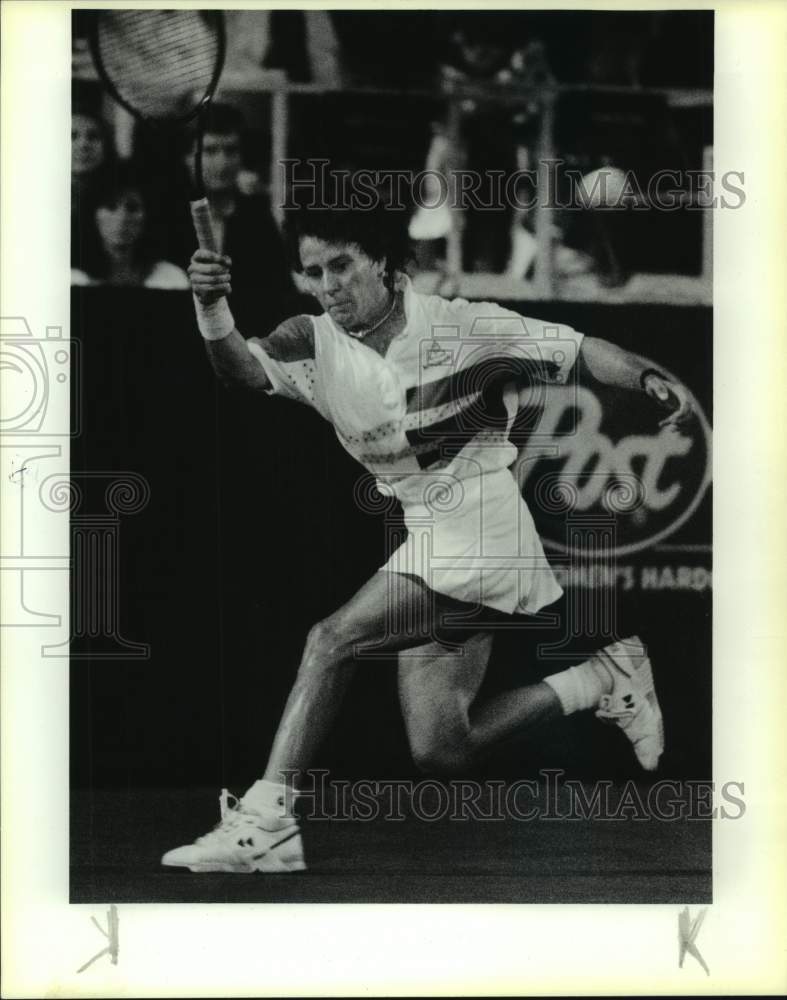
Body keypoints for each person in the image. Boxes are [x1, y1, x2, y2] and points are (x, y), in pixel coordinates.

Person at [162, 203, 693, 874]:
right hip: (423, 531)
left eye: (342, 266)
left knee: (331, 640)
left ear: (381, 260)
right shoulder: (312, 341)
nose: (328, 285)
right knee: (443, 750)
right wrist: (211, 307)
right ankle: (602, 676)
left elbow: (582, 351)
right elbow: (238, 369)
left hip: (481, 525)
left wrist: (649, 379)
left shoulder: (464, 327)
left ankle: (268, 821)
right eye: (313, 271)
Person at [164, 104, 297, 327]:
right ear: (187, 158)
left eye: (231, 150)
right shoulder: (167, 216)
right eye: (210, 151)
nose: (222, 162)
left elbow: (280, 293)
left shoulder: (256, 215)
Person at [71, 163, 189, 290]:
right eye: (111, 207)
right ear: (92, 214)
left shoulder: (170, 279)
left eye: (132, 208)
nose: (122, 218)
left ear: (148, 215)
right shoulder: (74, 279)